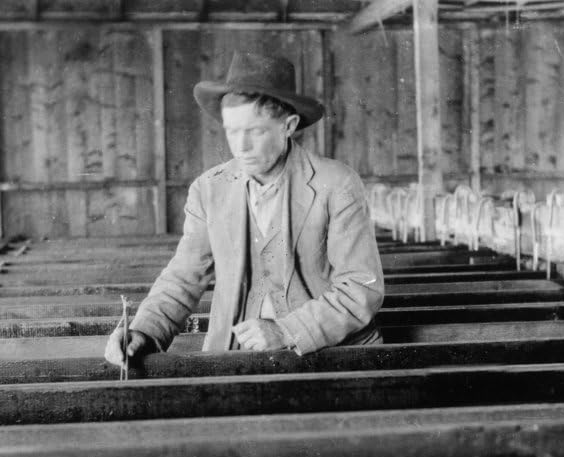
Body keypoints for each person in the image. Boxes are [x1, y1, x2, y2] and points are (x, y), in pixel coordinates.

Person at [104, 51, 383, 367]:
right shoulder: (209, 189)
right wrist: (144, 330)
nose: (241, 146)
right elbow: (182, 277)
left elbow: (360, 288)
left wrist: (286, 330)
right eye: (232, 131)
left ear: (288, 126)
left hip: (327, 354)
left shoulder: (337, 184)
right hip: (232, 355)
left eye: (257, 131)